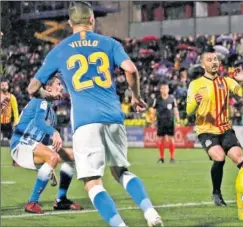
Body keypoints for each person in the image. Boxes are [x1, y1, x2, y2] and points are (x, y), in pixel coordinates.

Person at [26, 2, 162, 226]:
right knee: (121, 171)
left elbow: (32, 88)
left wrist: (50, 96)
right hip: (113, 117)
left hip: (85, 122)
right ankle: (149, 211)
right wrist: (136, 97)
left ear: (70, 23)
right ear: (91, 20)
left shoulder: (60, 49)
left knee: (92, 182)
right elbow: (131, 69)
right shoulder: (109, 43)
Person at [186, 49, 243, 207]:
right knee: (219, 157)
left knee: (240, 159)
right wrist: (195, 102)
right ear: (202, 64)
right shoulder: (195, 84)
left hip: (225, 128)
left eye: (216, 59)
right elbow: (188, 110)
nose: (214, 62)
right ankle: (216, 193)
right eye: (210, 60)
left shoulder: (226, 81)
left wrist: (242, 81)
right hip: (206, 130)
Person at [11, 76, 83, 214]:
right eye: (58, 84)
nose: (61, 87)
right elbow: (38, 122)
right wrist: (54, 132)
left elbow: (41, 139)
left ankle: (61, 200)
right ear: (48, 88)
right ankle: (32, 202)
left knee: (71, 156)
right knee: (53, 157)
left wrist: (48, 163)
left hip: (31, 144)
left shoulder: (50, 110)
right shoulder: (41, 100)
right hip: (21, 144)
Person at [151, 82, 180, 164]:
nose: (164, 90)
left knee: (171, 139)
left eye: (166, 88)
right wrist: (153, 122)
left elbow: (175, 111)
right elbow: (153, 112)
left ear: (168, 89)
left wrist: (178, 121)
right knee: (160, 139)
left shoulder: (172, 99)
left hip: (170, 122)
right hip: (160, 122)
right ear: (160, 90)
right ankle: (161, 158)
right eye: (163, 88)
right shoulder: (157, 99)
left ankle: (172, 157)